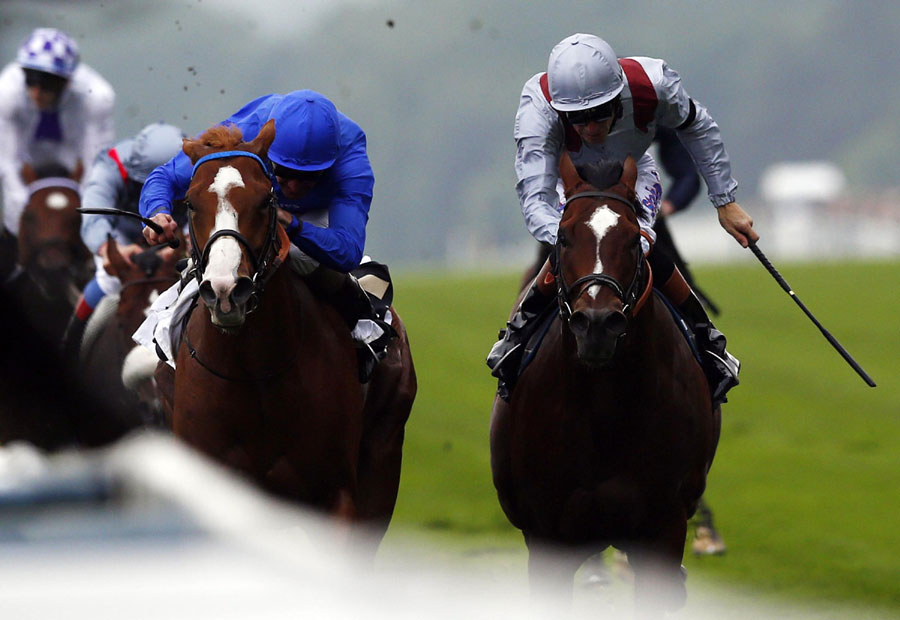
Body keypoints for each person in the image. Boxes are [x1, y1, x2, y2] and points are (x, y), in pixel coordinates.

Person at [487, 33, 759, 407]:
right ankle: (516, 336)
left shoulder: (655, 84)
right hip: (570, 179)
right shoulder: (538, 107)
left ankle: (707, 338)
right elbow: (536, 199)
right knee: (576, 247)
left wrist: (725, 201)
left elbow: (698, 126)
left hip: (633, 169)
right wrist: (573, 238)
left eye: (601, 112)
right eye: (577, 118)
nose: (590, 128)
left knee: (638, 243)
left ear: (619, 95)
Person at [139, 90, 389, 381]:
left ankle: (363, 325)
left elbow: (347, 251)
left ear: (331, 162)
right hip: (254, 202)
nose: (293, 187)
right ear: (268, 150)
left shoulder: (351, 157)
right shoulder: (247, 132)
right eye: (283, 171)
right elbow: (165, 177)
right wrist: (158, 212)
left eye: (309, 176)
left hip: (312, 215)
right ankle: (169, 327)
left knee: (303, 257)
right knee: (218, 249)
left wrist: (292, 224)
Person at [60, 122, 186, 359]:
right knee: (108, 281)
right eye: (142, 186)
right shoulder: (111, 164)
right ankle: (72, 350)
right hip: (123, 239)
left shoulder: (196, 165)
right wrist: (107, 248)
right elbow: (95, 212)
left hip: (174, 241)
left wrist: (184, 244)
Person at [0, 27, 115, 274]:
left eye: (47, 84)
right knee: (16, 207)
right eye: (30, 81)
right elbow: (8, 163)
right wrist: (21, 215)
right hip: (27, 157)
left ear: (68, 81)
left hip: (71, 160)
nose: (36, 92)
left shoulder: (97, 96)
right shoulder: (6, 92)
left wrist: (86, 211)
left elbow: (96, 163)